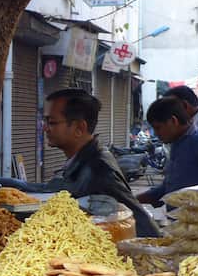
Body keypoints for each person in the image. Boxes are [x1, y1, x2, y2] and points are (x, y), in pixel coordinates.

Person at [10, 89, 159, 237]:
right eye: (45, 121)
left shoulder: (99, 171)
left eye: (52, 122)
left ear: (79, 128)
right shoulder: (81, 161)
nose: (45, 128)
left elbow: (142, 226)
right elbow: (50, 191)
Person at [137, 96, 198, 205]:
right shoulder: (177, 143)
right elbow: (170, 186)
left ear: (174, 121)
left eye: (158, 128)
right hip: (179, 217)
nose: (156, 134)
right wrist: (135, 200)